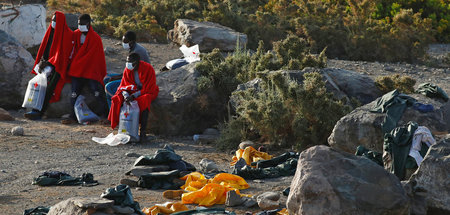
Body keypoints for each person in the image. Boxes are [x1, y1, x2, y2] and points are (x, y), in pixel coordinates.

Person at [24, 11, 73, 120]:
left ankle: (39, 112)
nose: (53, 22)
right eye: (52, 20)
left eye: (56, 20)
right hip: (49, 64)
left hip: (60, 66)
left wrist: (49, 63)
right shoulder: (50, 32)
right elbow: (45, 50)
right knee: (36, 83)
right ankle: (32, 108)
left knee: (49, 86)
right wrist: (42, 62)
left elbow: (63, 55)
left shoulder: (67, 34)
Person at [63, 14, 107, 124]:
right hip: (77, 71)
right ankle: (73, 116)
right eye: (79, 24)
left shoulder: (95, 38)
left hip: (90, 71)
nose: (80, 26)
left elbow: (97, 58)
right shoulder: (75, 35)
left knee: (97, 93)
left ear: (88, 24)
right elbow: (71, 51)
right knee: (74, 94)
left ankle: (105, 115)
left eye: (82, 24)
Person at [108, 53, 159, 143]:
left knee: (145, 100)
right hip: (131, 92)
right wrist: (126, 95)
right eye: (127, 61)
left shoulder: (148, 69)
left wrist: (134, 96)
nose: (128, 64)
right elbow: (123, 85)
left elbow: (149, 88)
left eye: (131, 62)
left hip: (145, 91)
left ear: (137, 62)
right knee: (117, 98)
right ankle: (123, 128)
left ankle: (142, 132)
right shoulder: (127, 70)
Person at [104, 31, 150, 109]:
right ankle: (108, 108)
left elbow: (131, 74)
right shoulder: (134, 48)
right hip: (133, 76)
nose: (123, 43)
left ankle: (115, 110)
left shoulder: (137, 52)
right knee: (106, 78)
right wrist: (118, 76)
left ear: (131, 42)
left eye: (125, 42)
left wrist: (118, 77)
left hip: (137, 81)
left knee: (109, 87)